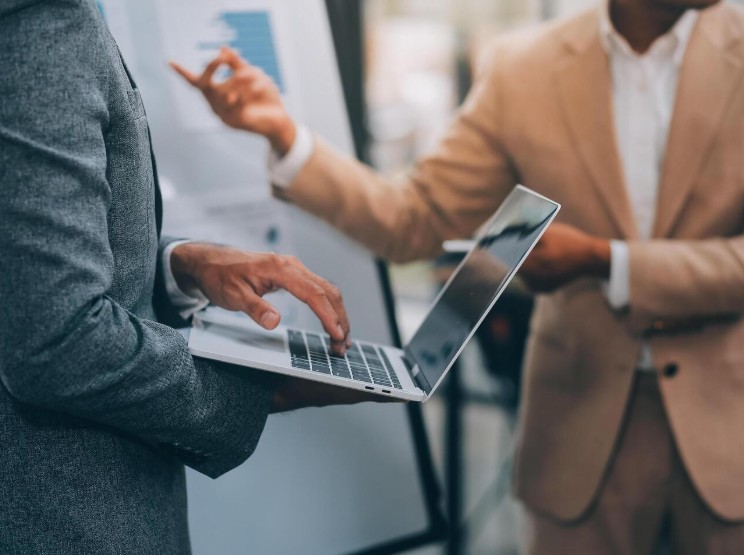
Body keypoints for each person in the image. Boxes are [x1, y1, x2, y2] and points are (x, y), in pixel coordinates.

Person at [173, 0, 744, 552]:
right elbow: (412, 219)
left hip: (729, 427)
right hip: (580, 429)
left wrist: (605, 260)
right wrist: (286, 137)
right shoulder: (526, 69)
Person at [0, 1, 383, 553]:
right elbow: (55, 339)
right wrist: (258, 387)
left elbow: (27, 262)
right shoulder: (41, 20)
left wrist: (186, 265)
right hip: (70, 523)